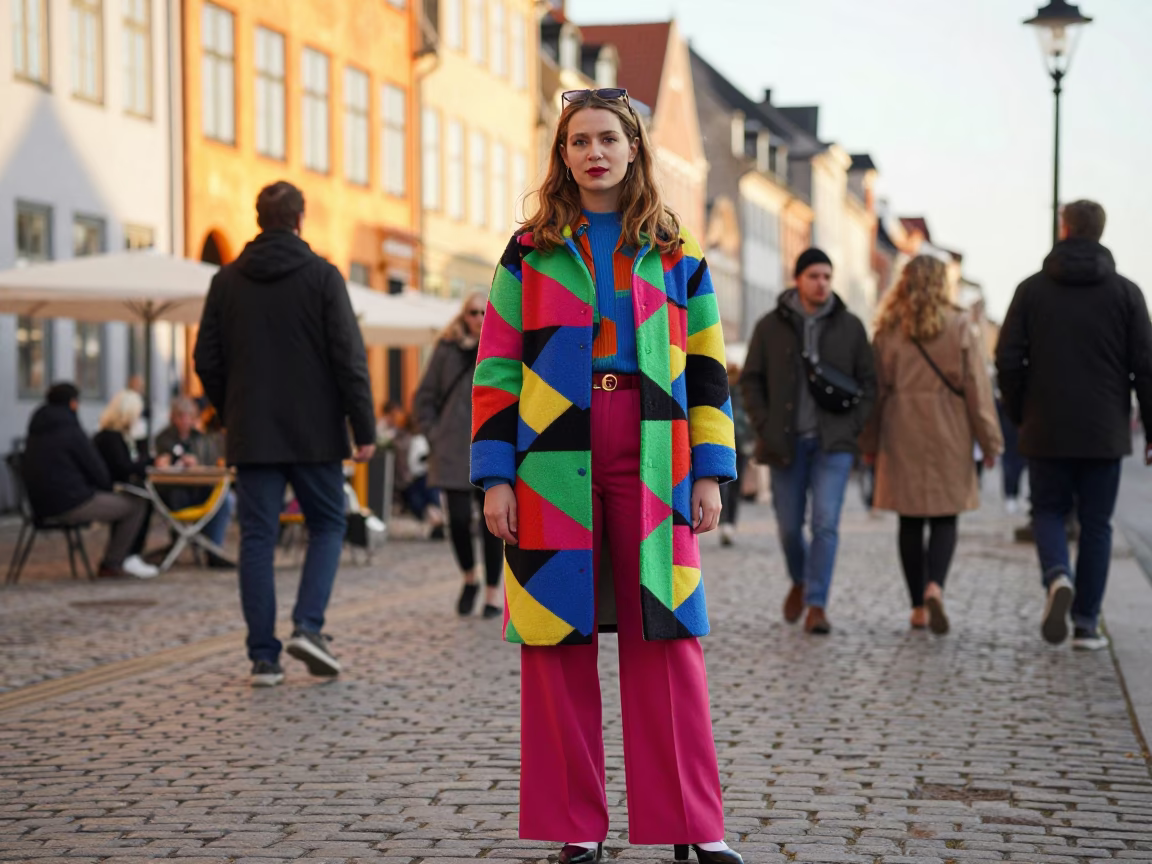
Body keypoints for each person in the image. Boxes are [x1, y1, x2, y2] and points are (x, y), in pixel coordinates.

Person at [472, 87, 741, 864]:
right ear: (563, 154)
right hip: (550, 455)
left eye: (608, 139)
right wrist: (495, 476)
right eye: (580, 140)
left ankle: (695, 822)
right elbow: (495, 369)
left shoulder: (675, 250)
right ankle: (576, 825)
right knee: (556, 640)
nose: (594, 152)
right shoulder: (528, 249)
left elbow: (708, 368)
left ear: (633, 150)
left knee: (669, 638)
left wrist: (711, 471)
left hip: (657, 452)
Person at [194, 180, 377, 686]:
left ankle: (263, 657)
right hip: (315, 431)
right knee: (329, 524)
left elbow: (205, 358)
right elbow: (349, 359)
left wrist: (232, 408)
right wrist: (363, 427)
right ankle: (308, 626)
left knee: (256, 538)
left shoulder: (226, 280)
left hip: (253, 432)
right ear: (300, 220)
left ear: (259, 220)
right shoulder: (322, 276)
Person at [996, 199, 1152, 651]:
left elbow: (1007, 357)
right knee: (1097, 524)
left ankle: (1056, 575)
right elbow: (1146, 368)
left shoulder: (1031, 290)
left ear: (1063, 229)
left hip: (1046, 424)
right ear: (1101, 232)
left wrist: (1020, 409)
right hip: (1104, 429)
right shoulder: (1127, 293)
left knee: (1047, 511)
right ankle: (1086, 624)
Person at [860, 255, 1003, 634]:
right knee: (945, 515)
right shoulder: (961, 326)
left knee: (909, 519)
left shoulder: (888, 329)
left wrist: (870, 442)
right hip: (950, 430)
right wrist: (990, 442)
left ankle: (917, 608)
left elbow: (876, 393)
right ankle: (935, 585)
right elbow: (977, 390)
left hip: (900, 429)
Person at [740, 248, 876, 634]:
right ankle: (799, 579)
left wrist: (853, 427)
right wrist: (764, 424)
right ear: (797, 279)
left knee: (826, 524)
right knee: (787, 526)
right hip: (785, 444)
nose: (822, 283)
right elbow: (751, 379)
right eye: (814, 276)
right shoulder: (770, 325)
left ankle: (817, 604)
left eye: (827, 277)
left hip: (832, 444)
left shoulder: (850, 326)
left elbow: (869, 384)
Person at [414, 293, 503, 617]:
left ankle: (493, 593)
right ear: (462, 315)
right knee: (459, 521)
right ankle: (469, 577)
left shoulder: (503, 343)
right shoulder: (446, 350)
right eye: (472, 312)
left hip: (491, 445)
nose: (478, 318)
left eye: (483, 312)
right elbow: (423, 398)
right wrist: (435, 435)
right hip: (451, 450)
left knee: (494, 523)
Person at [22, 383, 158, 580]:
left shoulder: (36, 430)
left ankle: (117, 560)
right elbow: (98, 472)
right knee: (136, 504)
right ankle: (114, 562)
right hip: (71, 502)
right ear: (73, 404)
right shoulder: (70, 430)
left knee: (124, 502)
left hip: (38, 505)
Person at [153, 396, 235, 565]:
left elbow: (212, 463)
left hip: (199, 488)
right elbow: (160, 464)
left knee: (226, 499)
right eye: (181, 416)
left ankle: (213, 549)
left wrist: (197, 463)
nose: (185, 421)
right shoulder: (163, 438)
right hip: (174, 492)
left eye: (189, 416)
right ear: (173, 417)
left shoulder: (201, 439)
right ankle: (193, 538)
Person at [93, 388, 154, 558]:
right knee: (141, 502)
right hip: (112, 489)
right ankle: (128, 554)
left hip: (117, 487)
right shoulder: (111, 438)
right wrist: (149, 459)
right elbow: (125, 468)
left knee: (143, 499)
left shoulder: (116, 436)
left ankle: (128, 554)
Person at [377, 400, 444, 537]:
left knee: (428, 488)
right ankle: (435, 518)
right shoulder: (397, 436)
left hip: (416, 476)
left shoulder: (407, 438)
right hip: (408, 479)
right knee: (425, 490)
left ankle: (435, 517)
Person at [718, 362, 752, 547]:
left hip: (738, 441)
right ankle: (727, 522)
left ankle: (729, 522)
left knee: (733, 485)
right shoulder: (729, 389)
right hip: (731, 441)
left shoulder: (741, 391)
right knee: (728, 484)